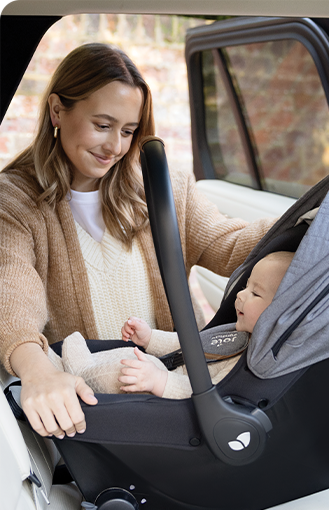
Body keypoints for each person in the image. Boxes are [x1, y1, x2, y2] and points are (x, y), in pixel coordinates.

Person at [0, 43, 277, 439]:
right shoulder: (16, 199)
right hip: (103, 415)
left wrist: (322, 215)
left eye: (128, 131)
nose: (115, 147)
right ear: (57, 110)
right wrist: (38, 372)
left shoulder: (163, 188)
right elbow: (11, 294)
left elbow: (230, 244)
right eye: (102, 125)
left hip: (181, 397)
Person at [49, 252, 294, 400]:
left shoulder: (251, 363)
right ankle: (63, 366)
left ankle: (75, 371)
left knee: (127, 369)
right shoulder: (237, 334)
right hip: (163, 371)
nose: (240, 295)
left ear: (281, 312)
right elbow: (188, 344)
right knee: (133, 356)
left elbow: (212, 396)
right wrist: (149, 338)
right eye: (246, 286)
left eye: (255, 294)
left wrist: (160, 382)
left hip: (164, 393)